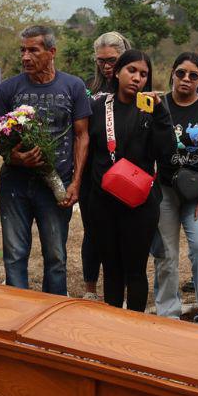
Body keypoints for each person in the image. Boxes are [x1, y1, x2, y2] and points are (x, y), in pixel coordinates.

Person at [0, 25, 90, 296]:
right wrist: (15, 156)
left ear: (51, 52)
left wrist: (76, 183)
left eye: (33, 50)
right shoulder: (9, 88)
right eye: (22, 50)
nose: (25, 57)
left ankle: (52, 319)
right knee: (14, 255)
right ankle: (17, 316)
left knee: (56, 258)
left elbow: (82, 137)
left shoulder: (73, 86)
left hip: (56, 186)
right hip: (15, 185)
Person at [84, 50, 175, 311]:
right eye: (131, 71)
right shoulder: (98, 106)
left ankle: (135, 326)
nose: (137, 78)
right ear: (117, 72)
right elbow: (89, 153)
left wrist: (160, 115)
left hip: (140, 203)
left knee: (135, 270)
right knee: (111, 268)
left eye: (143, 74)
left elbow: (167, 153)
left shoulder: (152, 109)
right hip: (103, 201)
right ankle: (113, 323)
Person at [153, 52, 198, 326]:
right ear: (172, 73)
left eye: (193, 75)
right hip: (164, 192)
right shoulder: (157, 105)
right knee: (165, 254)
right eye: (181, 73)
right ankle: (167, 314)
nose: (186, 79)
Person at [81, 31, 130, 300]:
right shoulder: (90, 88)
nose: (106, 65)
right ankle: (90, 288)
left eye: (111, 59)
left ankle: (118, 290)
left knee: (121, 233)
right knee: (92, 231)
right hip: (93, 170)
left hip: (125, 171)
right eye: (100, 60)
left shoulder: (137, 86)